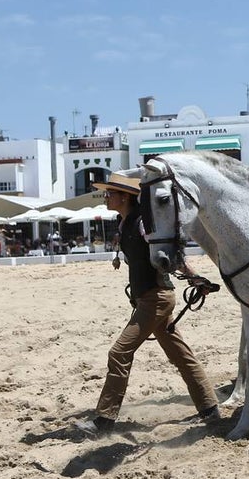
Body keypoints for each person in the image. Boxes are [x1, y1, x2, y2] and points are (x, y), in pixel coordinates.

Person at [74, 172, 220, 438]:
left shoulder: (142, 224)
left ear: (125, 197)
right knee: (181, 356)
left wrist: (195, 278)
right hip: (149, 298)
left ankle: (104, 421)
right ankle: (209, 408)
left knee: (119, 353)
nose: (106, 197)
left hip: (156, 299)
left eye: (110, 193)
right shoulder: (125, 223)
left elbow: (170, 255)